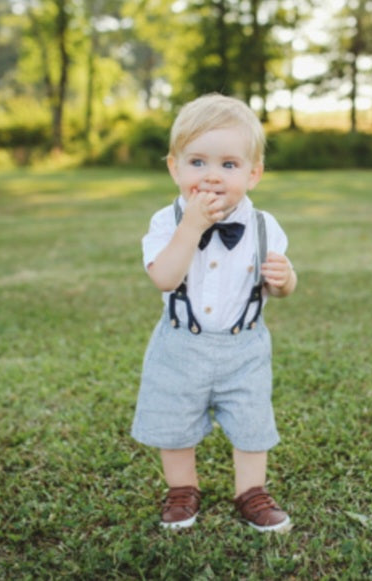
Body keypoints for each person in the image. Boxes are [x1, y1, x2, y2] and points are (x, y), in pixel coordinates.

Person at [131, 93, 297, 533]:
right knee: (175, 420)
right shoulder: (167, 222)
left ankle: (251, 491)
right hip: (180, 344)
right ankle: (182, 489)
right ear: (175, 168)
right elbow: (165, 278)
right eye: (198, 163)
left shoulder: (264, 226)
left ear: (253, 173)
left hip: (245, 347)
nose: (212, 176)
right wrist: (192, 226)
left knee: (251, 420)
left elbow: (277, 287)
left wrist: (285, 279)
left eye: (228, 165)